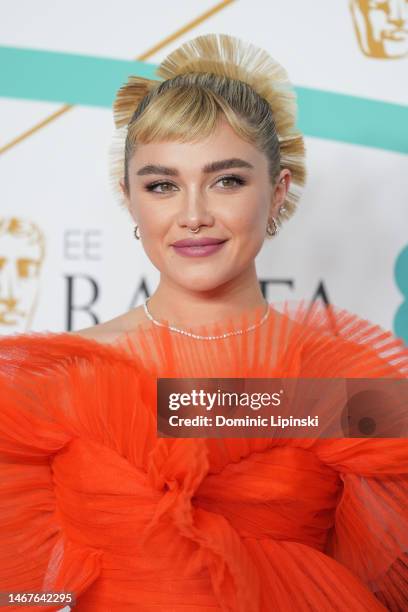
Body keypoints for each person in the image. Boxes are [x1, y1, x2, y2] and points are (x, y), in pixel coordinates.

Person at [0, 33, 407, 612]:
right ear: (130, 199)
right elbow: (27, 592)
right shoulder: (53, 378)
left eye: (227, 180)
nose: (193, 215)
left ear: (277, 191)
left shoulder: (346, 379)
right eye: (162, 185)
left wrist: (176, 407)